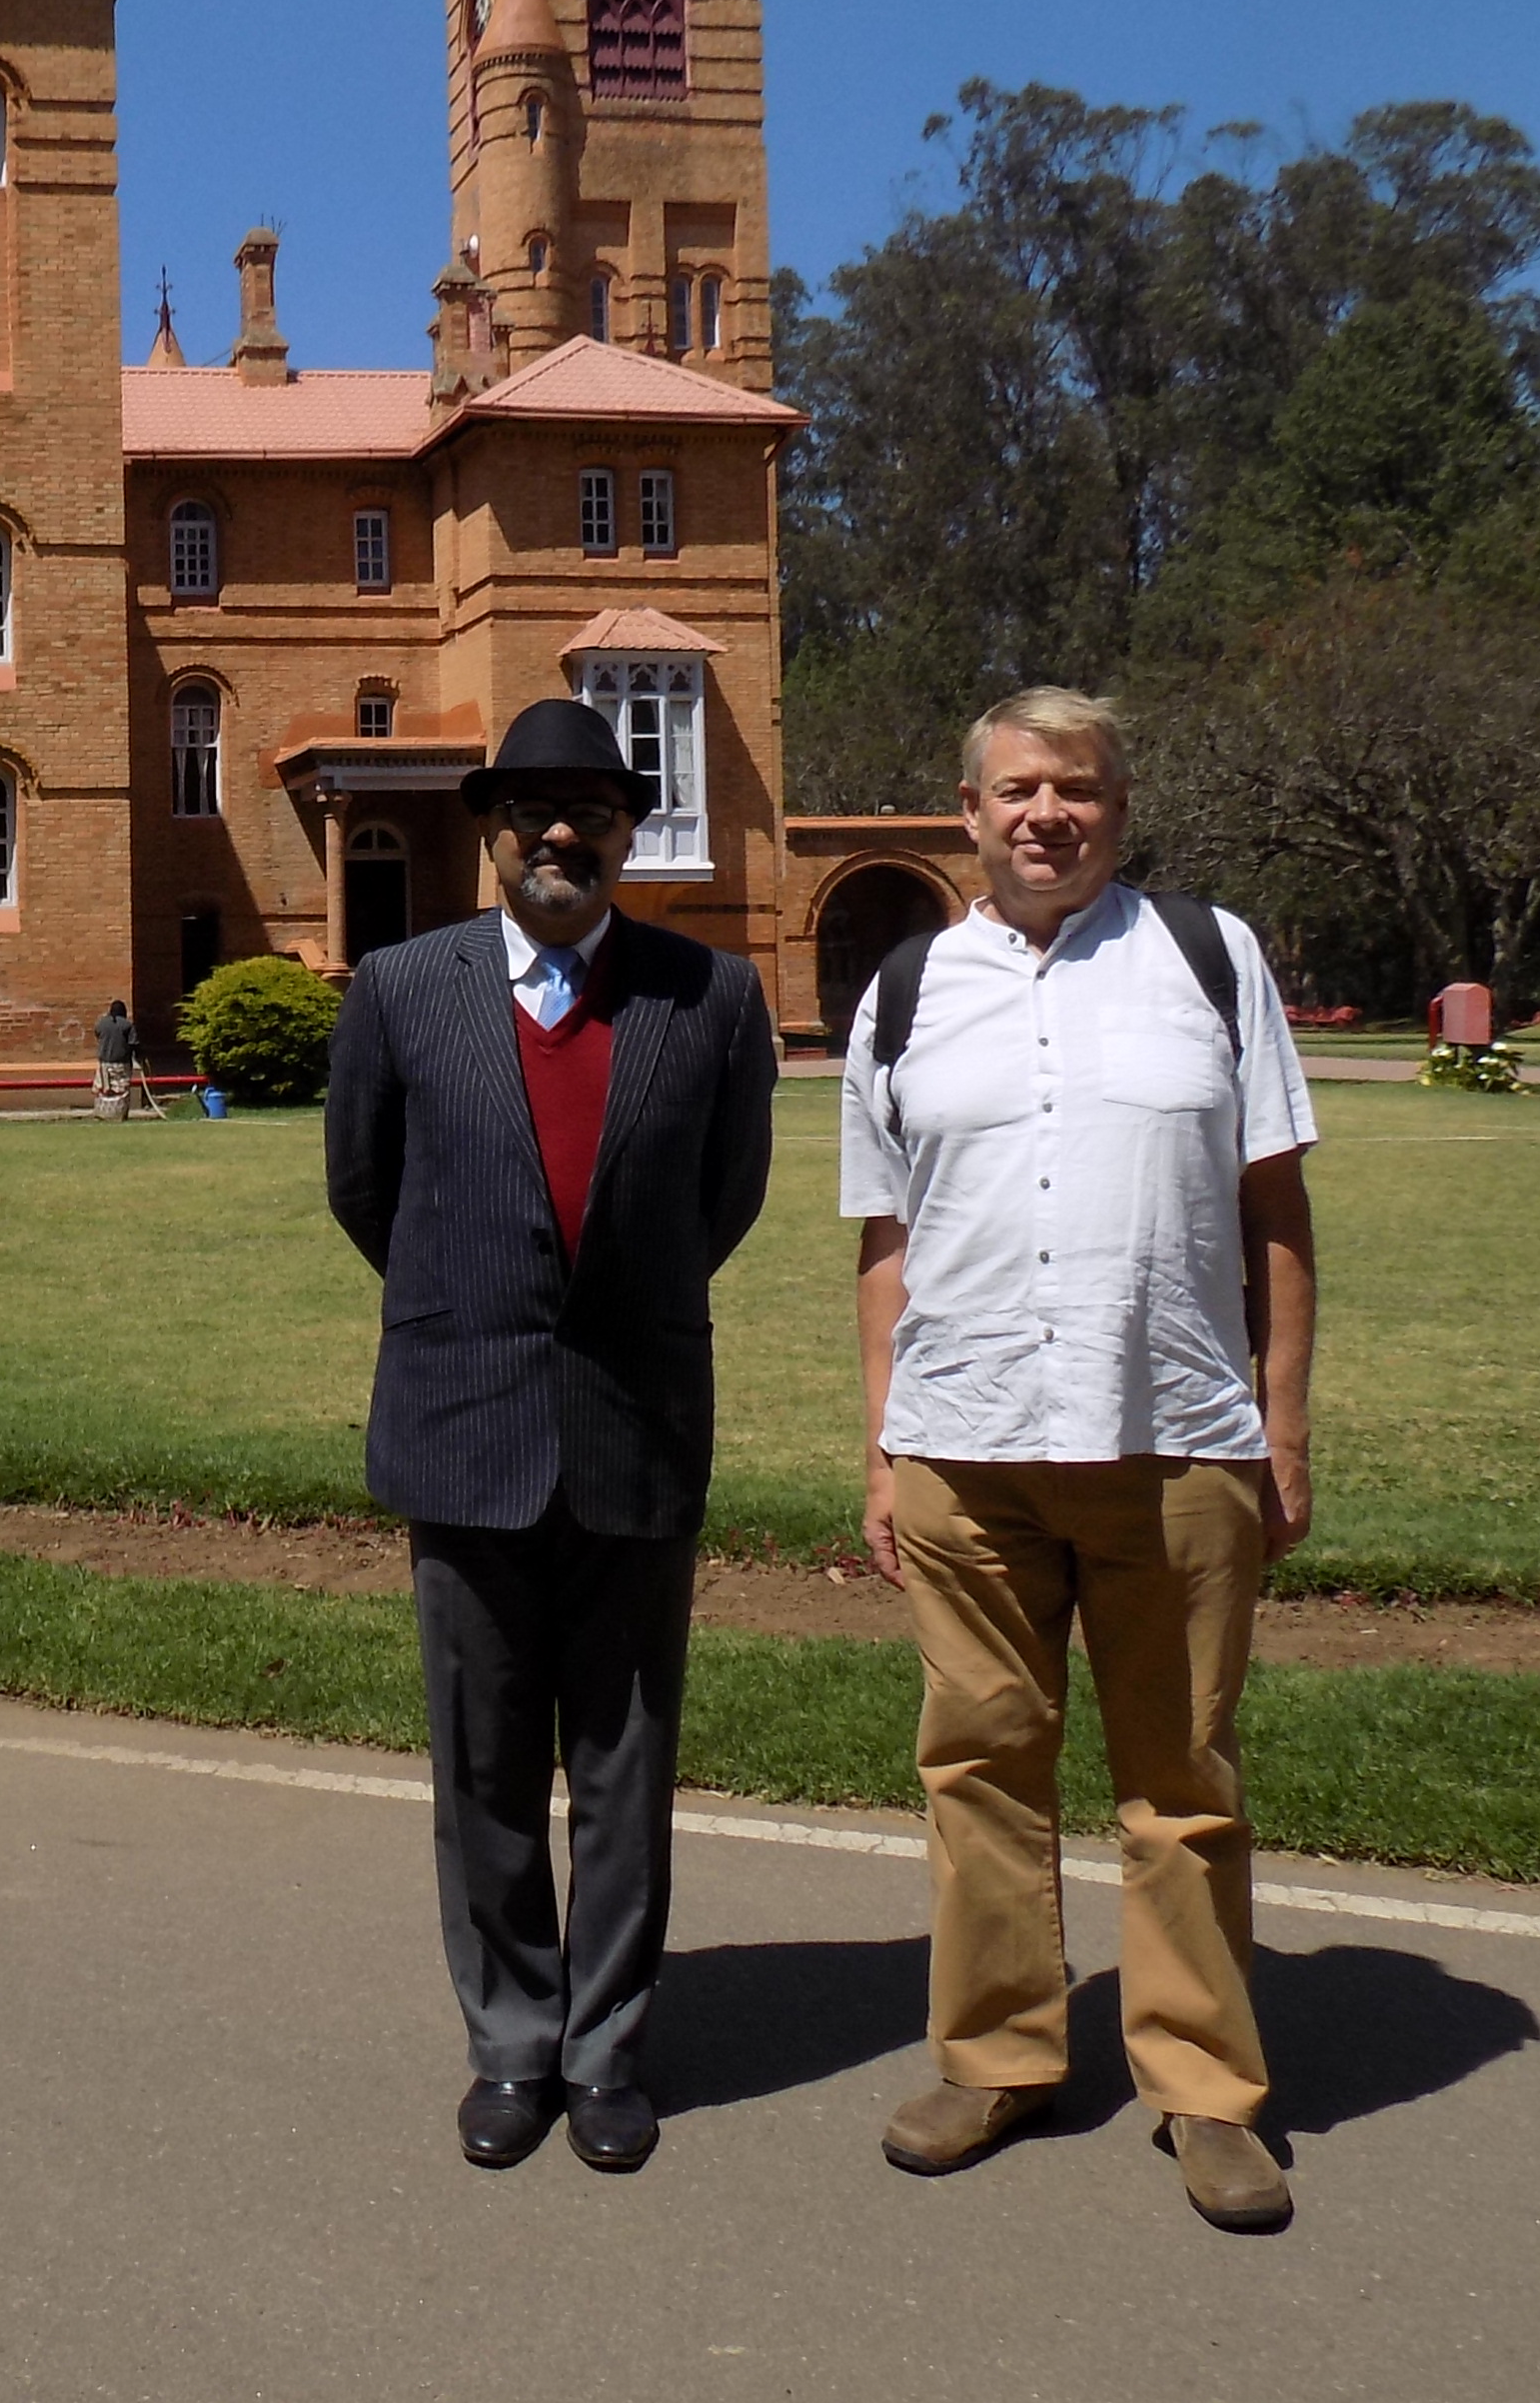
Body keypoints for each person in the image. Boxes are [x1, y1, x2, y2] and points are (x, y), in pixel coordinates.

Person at [840, 686, 1319, 2233]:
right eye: (1018, 790)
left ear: (1120, 808)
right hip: (965, 1449)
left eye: (1080, 789)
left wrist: (1285, 1427)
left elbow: (1275, 1212)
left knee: (1181, 1782)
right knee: (980, 1765)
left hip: (1175, 1436)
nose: (1048, 813)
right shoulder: (907, 987)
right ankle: (995, 2055)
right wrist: (879, 1444)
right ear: (967, 814)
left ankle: (1203, 2089)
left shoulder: (1208, 957)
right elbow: (886, 1238)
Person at [326, 698, 777, 2174]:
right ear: (490, 830)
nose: (559, 833)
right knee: (484, 1764)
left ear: (630, 831)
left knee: (628, 1763)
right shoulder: (399, 989)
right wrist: (481, 1306)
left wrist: (605, 1310)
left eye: (590, 806)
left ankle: (607, 2052)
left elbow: (724, 1201)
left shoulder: (706, 998)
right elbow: (367, 1193)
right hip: (465, 1426)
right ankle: (512, 2046)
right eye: (529, 809)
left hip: (635, 1424)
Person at [93, 998, 140, 1118]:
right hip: (121, 1064)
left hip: (103, 1063)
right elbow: (133, 1044)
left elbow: (97, 1035)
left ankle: (103, 1113)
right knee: (121, 1090)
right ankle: (119, 1114)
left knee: (103, 1089)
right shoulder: (127, 1025)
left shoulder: (101, 1024)